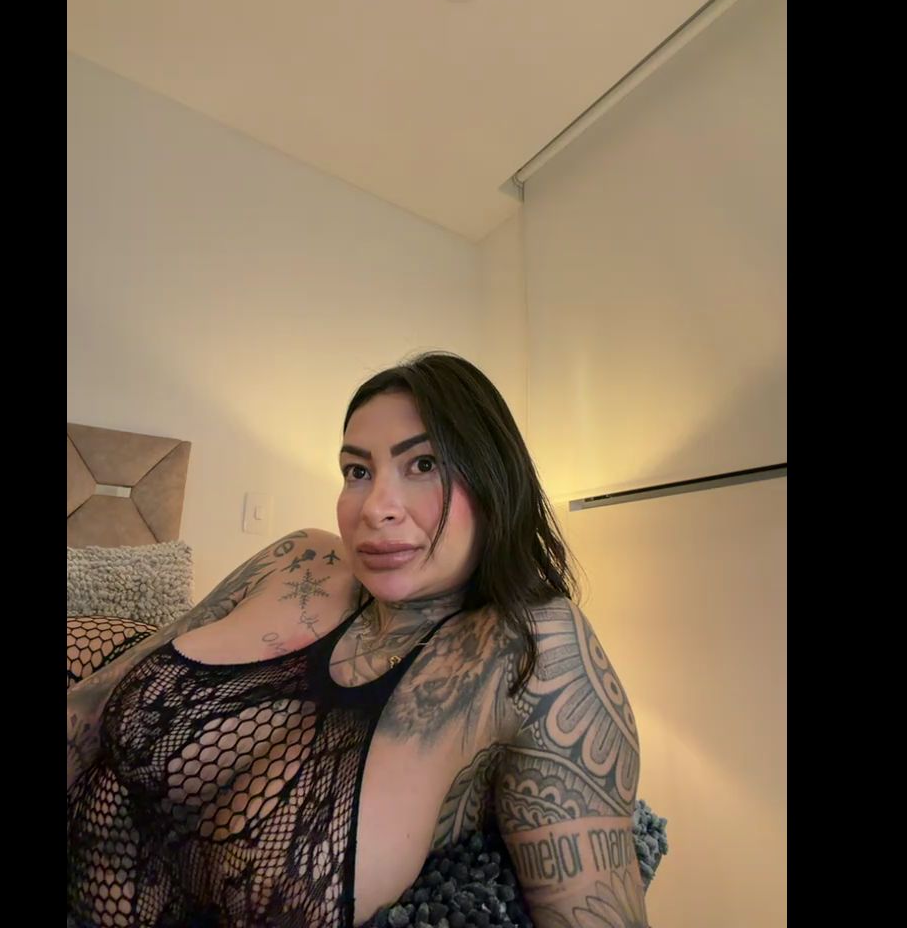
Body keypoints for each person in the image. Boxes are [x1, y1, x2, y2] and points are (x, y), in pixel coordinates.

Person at [67, 351, 648, 928]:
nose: (375, 508)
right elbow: (95, 701)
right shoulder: (298, 558)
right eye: (357, 471)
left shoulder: (532, 648)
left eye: (423, 464)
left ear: (495, 480)